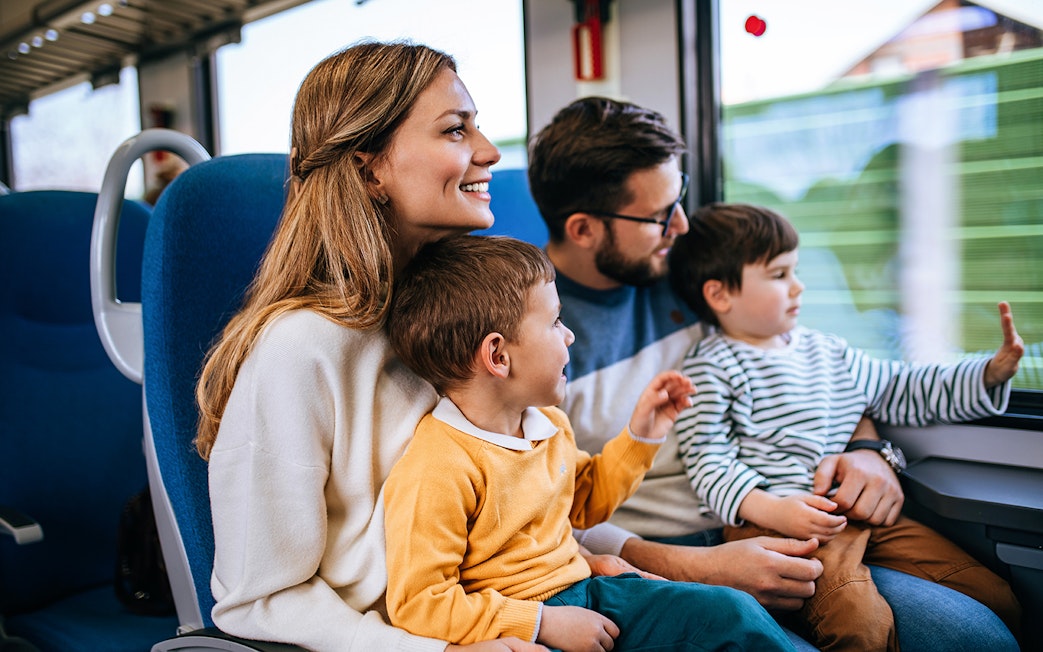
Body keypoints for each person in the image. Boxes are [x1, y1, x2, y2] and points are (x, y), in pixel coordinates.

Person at [525, 95, 1021, 651]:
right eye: (661, 214)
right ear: (584, 229)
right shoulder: (532, 332)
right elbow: (541, 512)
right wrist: (697, 566)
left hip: (790, 510)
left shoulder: (694, 269)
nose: (681, 225)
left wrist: (868, 450)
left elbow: (806, 365)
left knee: (979, 634)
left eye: (679, 196)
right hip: (661, 553)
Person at [193, 41, 549, 652]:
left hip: (520, 606)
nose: (490, 151)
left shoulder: (458, 321)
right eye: (456, 130)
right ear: (368, 171)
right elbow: (261, 599)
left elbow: (522, 498)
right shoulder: (299, 352)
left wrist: (640, 560)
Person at [382, 234, 795, 651]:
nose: (569, 336)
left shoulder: (548, 424)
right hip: (521, 624)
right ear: (499, 356)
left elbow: (586, 502)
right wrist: (541, 623)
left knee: (732, 612)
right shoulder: (438, 466)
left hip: (590, 590)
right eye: (554, 322)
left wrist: (641, 436)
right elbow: (420, 603)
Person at [668, 201, 1023, 650]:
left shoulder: (828, 352)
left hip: (853, 512)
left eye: (795, 271)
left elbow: (902, 387)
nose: (798, 286)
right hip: (779, 527)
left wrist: (987, 374)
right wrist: (774, 510)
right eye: (779, 275)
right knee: (860, 625)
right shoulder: (711, 367)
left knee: (991, 592)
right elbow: (707, 460)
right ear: (720, 296)